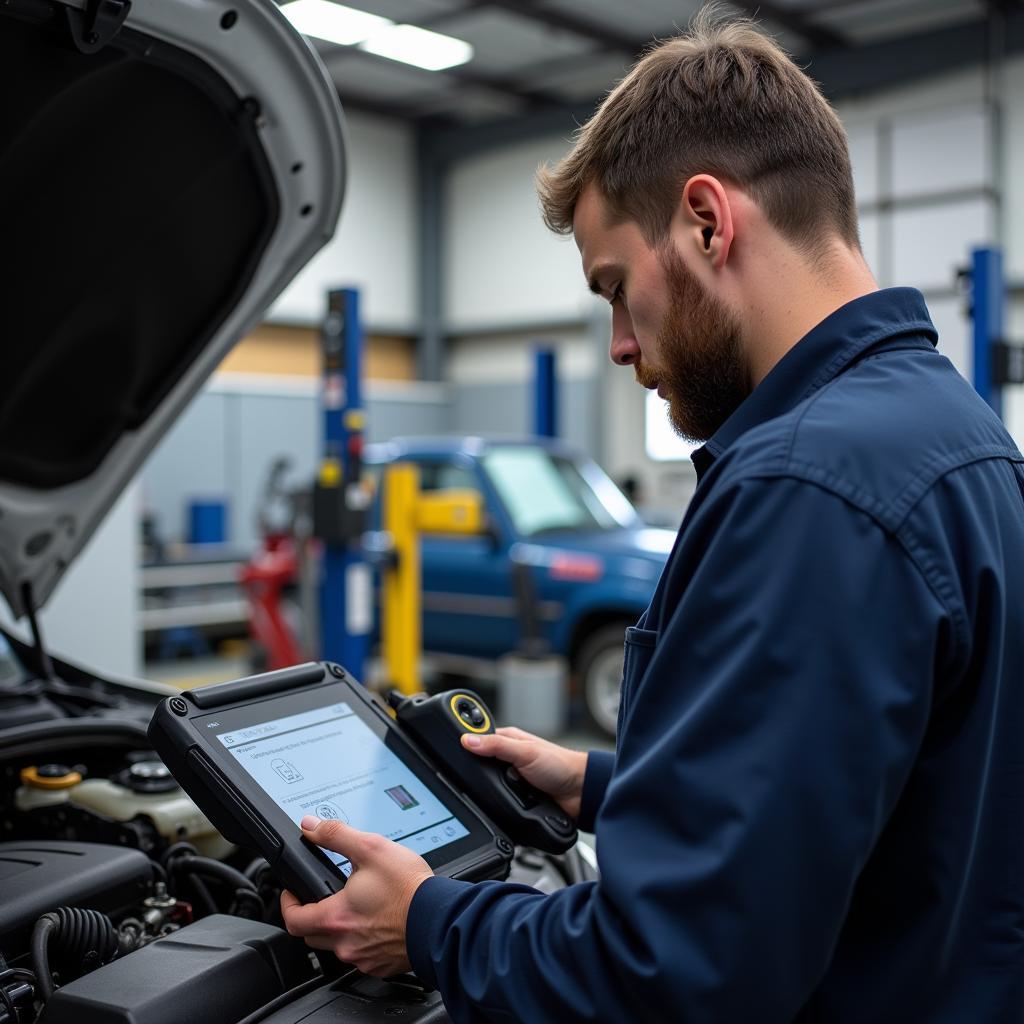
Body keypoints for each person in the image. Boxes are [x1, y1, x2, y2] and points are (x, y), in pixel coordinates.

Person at [281, 11, 1024, 1021]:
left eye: (617, 289)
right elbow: (886, 798)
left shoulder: (805, 486)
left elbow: (674, 973)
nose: (622, 344)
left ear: (708, 222)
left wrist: (427, 922)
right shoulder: (954, 432)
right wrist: (603, 782)